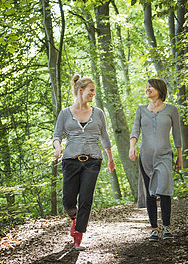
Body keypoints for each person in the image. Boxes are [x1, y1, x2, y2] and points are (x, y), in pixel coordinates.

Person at [53, 74, 115, 251]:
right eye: (91, 90)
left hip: (93, 161)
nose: (93, 94)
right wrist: (58, 148)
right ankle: (74, 220)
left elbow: (104, 137)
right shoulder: (65, 113)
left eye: (94, 91)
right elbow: (57, 136)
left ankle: (78, 235)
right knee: (68, 201)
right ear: (80, 91)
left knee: (86, 199)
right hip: (70, 161)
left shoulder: (98, 113)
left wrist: (110, 158)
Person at [129, 78, 183, 242]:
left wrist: (180, 157)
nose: (147, 89)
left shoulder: (172, 110)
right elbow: (135, 131)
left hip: (165, 155)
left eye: (150, 87)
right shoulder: (141, 110)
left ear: (160, 89)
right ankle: (154, 229)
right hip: (145, 157)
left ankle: (166, 227)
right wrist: (132, 147)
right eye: (146, 87)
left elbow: (177, 135)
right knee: (150, 193)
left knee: (164, 189)